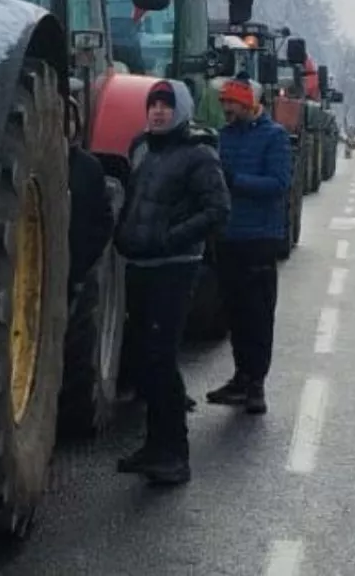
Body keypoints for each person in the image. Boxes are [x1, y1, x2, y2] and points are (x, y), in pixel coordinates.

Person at [114, 79, 231, 484]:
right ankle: (153, 446)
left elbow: (218, 209)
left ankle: (174, 454)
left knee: (162, 358)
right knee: (145, 359)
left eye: (166, 105)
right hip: (141, 266)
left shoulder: (198, 155)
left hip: (174, 268)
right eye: (153, 105)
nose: (158, 112)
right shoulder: (142, 149)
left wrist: (172, 238)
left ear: (180, 110)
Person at [207, 74, 293, 416]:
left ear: (248, 104)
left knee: (257, 314)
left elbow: (279, 183)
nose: (225, 109)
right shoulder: (223, 137)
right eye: (224, 103)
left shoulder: (274, 137)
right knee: (235, 312)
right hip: (228, 236)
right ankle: (241, 376)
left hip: (259, 238)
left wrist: (235, 181)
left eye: (231, 103)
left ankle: (256, 384)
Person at [67, 98, 115, 286]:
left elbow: (103, 222)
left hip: (75, 266)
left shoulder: (89, 167)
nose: (65, 124)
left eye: (70, 118)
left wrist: (81, 264)